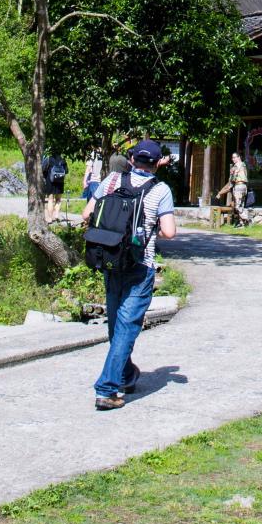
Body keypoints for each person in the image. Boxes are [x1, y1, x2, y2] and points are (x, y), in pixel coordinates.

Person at [82, 139, 177, 411]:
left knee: (116, 325)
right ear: (157, 163)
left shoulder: (112, 180)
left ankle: (125, 375)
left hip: (111, 261)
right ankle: (107, 389)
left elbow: (87, 213)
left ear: (132, 158)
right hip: (140, 265)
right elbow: (169, 232)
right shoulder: (160, 190)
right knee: (127, 327)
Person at [214, 152, 250, 226]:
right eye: (232, 158)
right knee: (241, 206)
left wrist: (220, 193)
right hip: (244, 187)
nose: (233, 159)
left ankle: (247, 219)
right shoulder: (244, 165)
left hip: (239, 186)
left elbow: (231, 182)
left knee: (237, 206)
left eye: (234, 157)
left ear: (239, 157)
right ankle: (242, 224)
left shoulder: (235, 166)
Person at [41, 152, 68, 223]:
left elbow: (43, 169)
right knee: (58, 200)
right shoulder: (62, 160)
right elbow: (66, 171)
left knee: (50, 200)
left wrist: (46, 176)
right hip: (60, 182)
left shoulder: (48, 159)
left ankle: (50, 218)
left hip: (50, 181)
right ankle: (56, 216)